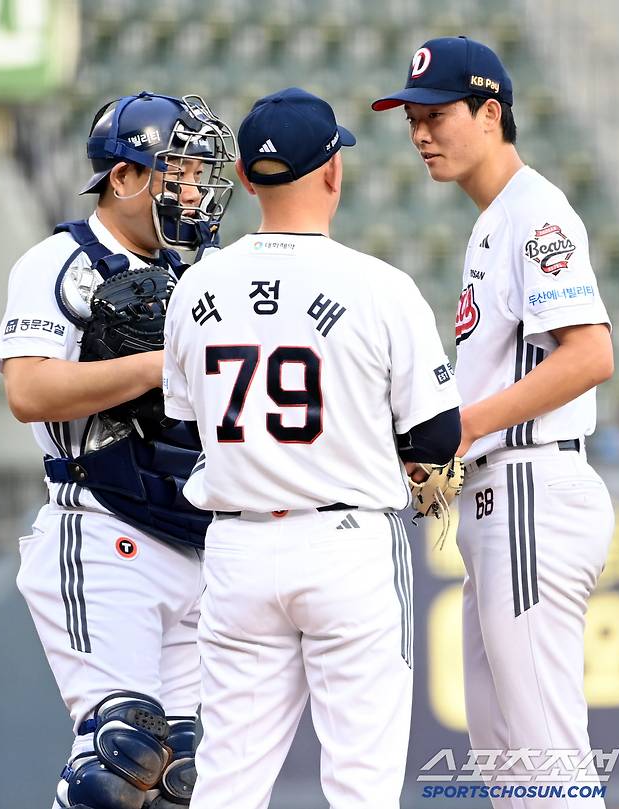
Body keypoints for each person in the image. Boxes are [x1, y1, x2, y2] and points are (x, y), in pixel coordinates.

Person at [162, 86, 462, 809]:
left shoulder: (196, 286)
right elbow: (438, 436)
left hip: (235, 548)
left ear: (241, 178)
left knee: (228, 781)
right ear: (334, 172)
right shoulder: (381, 287)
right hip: (346, 543)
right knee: (361, 783)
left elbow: (183, 421)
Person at [373, 36, 614, 807]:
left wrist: (465, 427)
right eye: (412, 116)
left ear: (490, 113)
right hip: (497, 496)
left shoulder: (535, 212)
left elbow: (590, 355)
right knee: (508, 765)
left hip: (530, 490)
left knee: (548, 762)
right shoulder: (493, 220)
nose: (420, 133)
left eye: (437, 114)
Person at [0, 91, 236, 809]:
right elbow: (29, 391)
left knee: (186, 778)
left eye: (197, 174)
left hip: (196, 544)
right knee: (118, 755)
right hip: (102, 531)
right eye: (177, 171)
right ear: (125, 177)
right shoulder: (62, 260)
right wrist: (163, 364)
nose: (193, 190)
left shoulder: (204, 278)